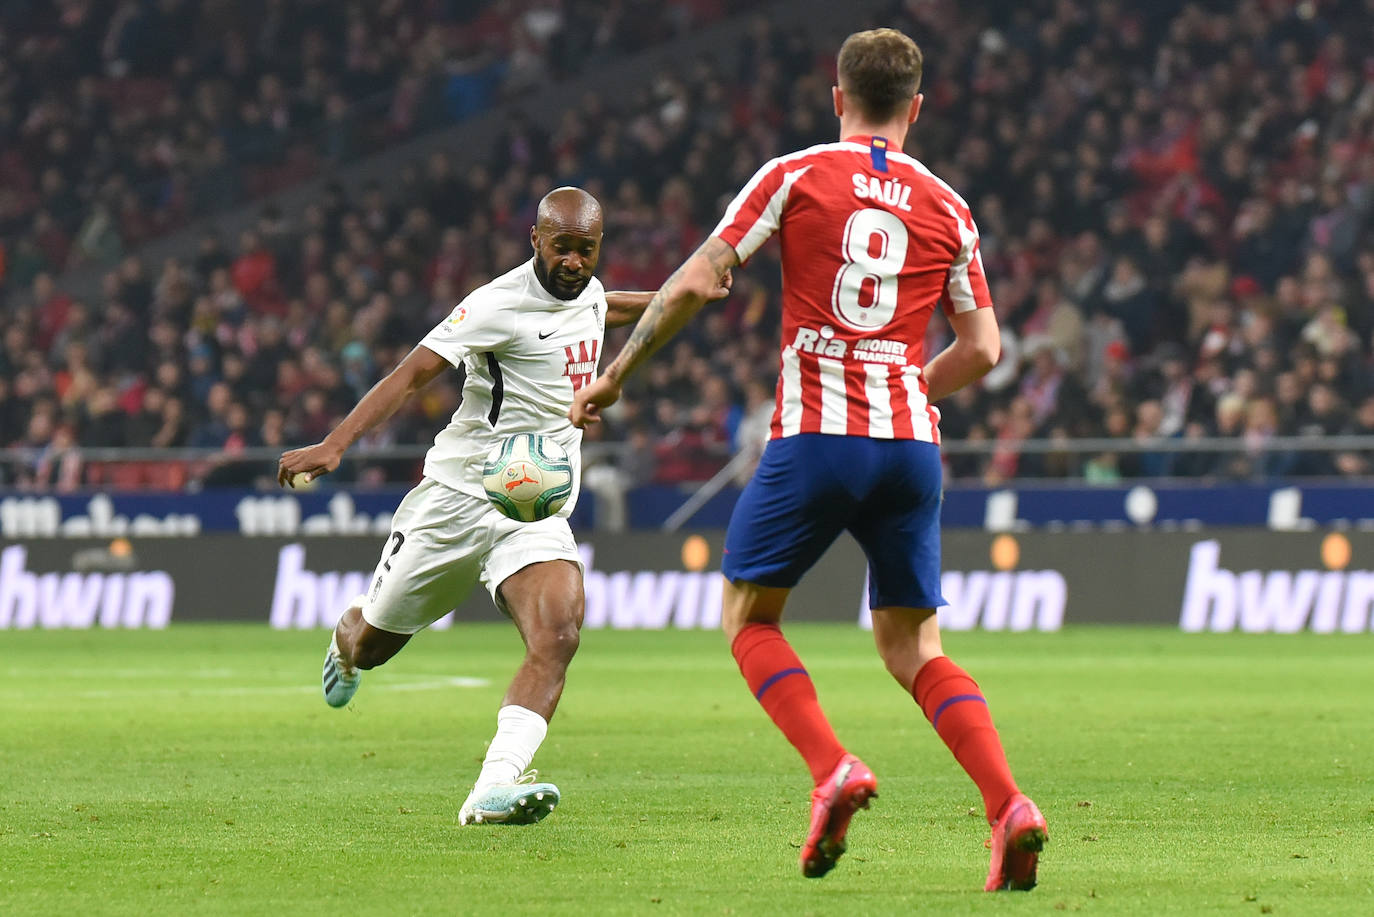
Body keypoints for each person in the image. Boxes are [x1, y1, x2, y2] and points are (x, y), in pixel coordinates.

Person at [570, 29, 1047, 889]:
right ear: (917, 106)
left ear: (838, 98)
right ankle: (1009, 803)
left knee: (749, 618)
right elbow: (984, 347)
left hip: (818, 438)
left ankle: (832, 768)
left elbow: (693, 282)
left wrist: (613, 377)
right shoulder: (950, 207)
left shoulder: (794, 174)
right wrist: (913, 385)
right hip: (910, 448)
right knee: (914, 645)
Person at [278, 186, 730, 826]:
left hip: (534, 506)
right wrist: (335, 444)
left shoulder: (588, 290)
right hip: (457, 501)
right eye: (562, 248)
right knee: (375, 646)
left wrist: (679, 295)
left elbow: (608, 306)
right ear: (536, 241)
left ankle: (492, 788)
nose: (574, 262)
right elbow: (411, 374)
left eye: (586, 250)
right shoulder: (496, 304)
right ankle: (346, 640)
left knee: (559, 632)